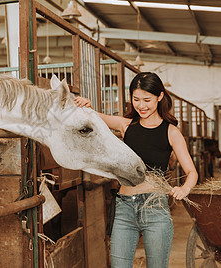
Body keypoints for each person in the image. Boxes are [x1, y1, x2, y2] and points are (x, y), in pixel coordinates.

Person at [74, 72, 198, 268]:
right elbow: (93, 116)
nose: (141, 105)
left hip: (155, 208)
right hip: (124, 209)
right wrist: (86, 105)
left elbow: (192, 172)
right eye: (136, 99)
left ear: (160, 96)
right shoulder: (126, 125)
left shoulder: (171, 132)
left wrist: (184, 189)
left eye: (147, 99)